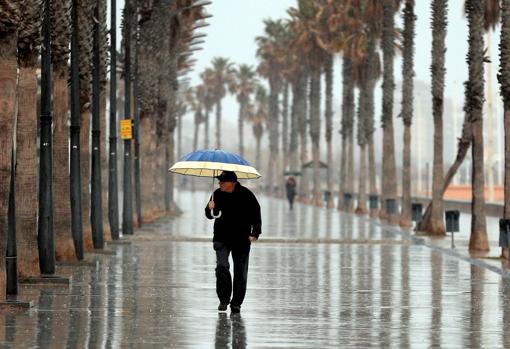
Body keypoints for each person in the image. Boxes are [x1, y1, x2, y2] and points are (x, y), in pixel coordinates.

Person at [205, 170, 262, 314]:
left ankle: (236, 303)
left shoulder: (246, 195)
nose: (220, 184)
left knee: (240, 271)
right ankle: (224, 299)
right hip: (221, 238)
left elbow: (256, 213)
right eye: (219, 181)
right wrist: (209, 208)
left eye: (223, 182)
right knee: (222, 267)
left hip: (241, 239)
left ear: (232, 182)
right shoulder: (216, 194)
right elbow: (210, 215)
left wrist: (255, 232)